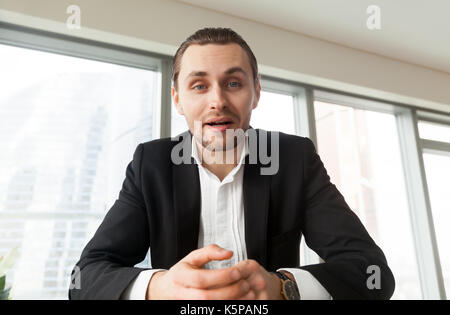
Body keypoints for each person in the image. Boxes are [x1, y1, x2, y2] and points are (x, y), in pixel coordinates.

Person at [69, 27, 395, 300]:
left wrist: (282, 287)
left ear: (256, 93)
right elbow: (84, 279)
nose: (218, 101)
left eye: (234, 83)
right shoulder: (150, 165)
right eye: (199, 85)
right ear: (178, 99)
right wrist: (161, 287)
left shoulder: (294, 159)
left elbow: (373, 273)